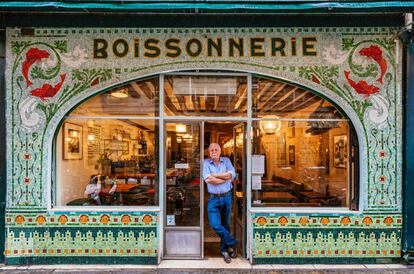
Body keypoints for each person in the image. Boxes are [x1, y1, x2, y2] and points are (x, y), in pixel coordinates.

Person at [203, 143, 237, 263]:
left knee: (226, 224)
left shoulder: (227, 161)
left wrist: (215, 175)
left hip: (227, 196)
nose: (214, 151)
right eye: (211, 150)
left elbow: (232, 175)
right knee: (215, 225)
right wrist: (225, 178)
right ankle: (232, 242)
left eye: (216, 149)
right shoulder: (206, 163)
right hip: (213, 199)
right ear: (208, 152)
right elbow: (208, 179)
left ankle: (224, 250)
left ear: (220, 151)